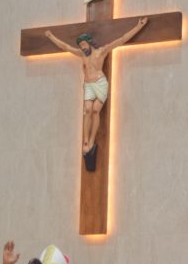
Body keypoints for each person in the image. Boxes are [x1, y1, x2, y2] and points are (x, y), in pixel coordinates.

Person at [44, 17, 148, 167]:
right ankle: (85, 141)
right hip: (88, 85)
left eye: (84, 44)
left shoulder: (102, 51)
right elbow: (65, 47)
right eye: (80, 46)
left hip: (100, 84)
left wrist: (138, 26)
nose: (82, 48)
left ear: (89, 42)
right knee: (86, 110)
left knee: (94, 111)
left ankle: (92, 140)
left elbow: (122, 39)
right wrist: (50, 36)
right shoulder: (81, 54)